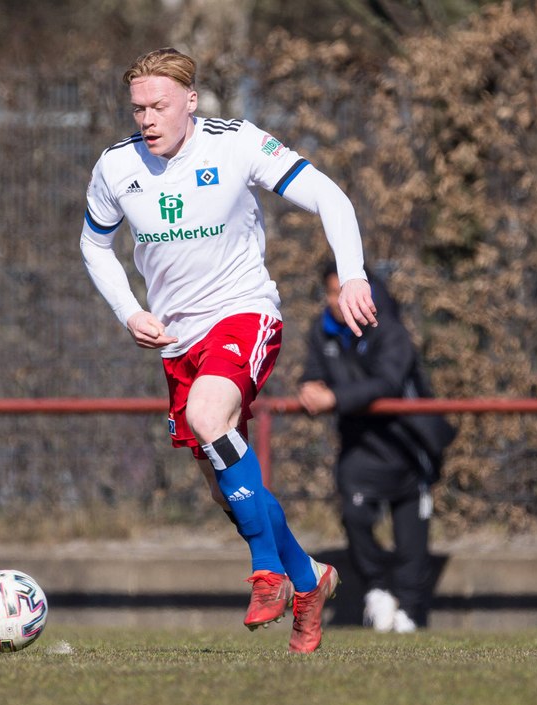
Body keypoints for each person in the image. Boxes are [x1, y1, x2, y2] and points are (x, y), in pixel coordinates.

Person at [79, 48, 377, 653]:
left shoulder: (237, 142)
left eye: (159, 106)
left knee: (209, 419)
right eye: (138, 108)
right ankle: (307, 577)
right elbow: (94, 246)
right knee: (224, 486)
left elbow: (331, 198)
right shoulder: (116, 167)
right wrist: (131, 310)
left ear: (191, 101)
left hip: (244, 312)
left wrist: (352, 274)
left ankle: (267, 572)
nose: (147, 119)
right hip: (177, 339)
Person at [298, 262, 438, 633]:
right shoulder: (322, 331)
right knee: (355, 518)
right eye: (329, 293)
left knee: (412, 539)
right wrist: (311, 387)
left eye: (339, 292)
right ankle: (376, 590)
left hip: (407, 444)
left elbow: (389, 382)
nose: (334, 301)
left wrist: (334, 397)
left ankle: (408, 610)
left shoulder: (390, 331)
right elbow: (313, 372)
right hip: (359, 445)